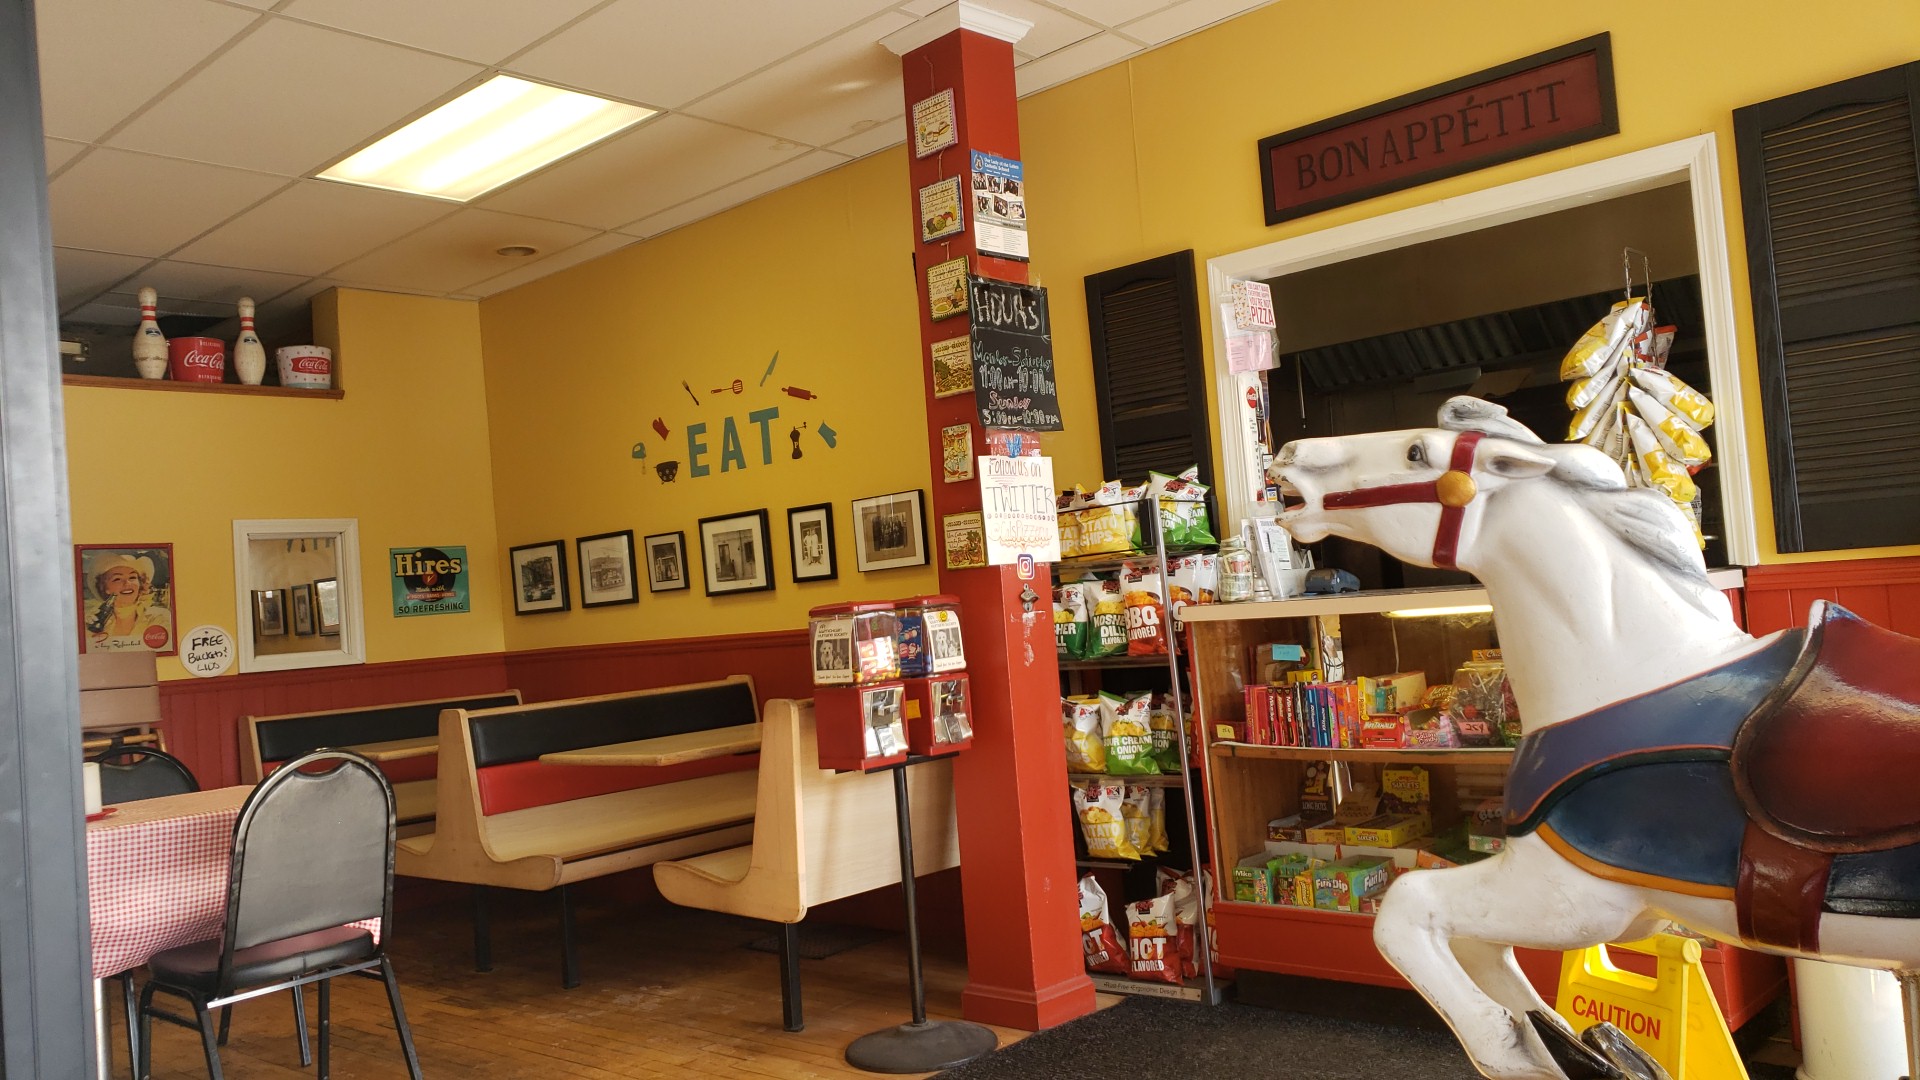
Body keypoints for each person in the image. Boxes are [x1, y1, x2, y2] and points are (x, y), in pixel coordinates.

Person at [84, 553, 172, 652]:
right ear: (105, 588)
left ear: (140, 583)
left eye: (132, 577)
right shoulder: (93, 620)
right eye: (117, 579)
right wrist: (88, 633)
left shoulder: (159, 617)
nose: (127, 583)